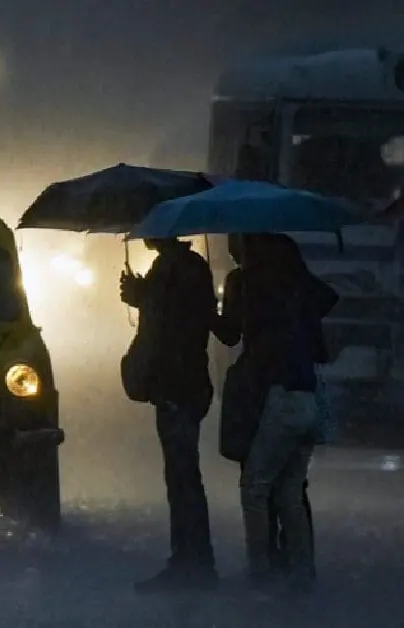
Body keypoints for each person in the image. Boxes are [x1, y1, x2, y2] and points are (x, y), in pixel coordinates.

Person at [231, 234, 336, 593]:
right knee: (290, 491)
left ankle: (260, 573)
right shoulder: (298, 294)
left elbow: (235, 337)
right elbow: (329, 297)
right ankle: (302, 572)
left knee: (255, 489)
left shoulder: (260, 294)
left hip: (282, 398)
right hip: (309, 395)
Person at [119, 238, 219, 593]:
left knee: (182, 477)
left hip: (177, 385)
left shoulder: (175, 270)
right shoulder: (189, 267)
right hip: (187, 383)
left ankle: (190, 562)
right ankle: (194, 559)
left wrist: (142, 296)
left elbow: (168, 324)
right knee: (183, 476)